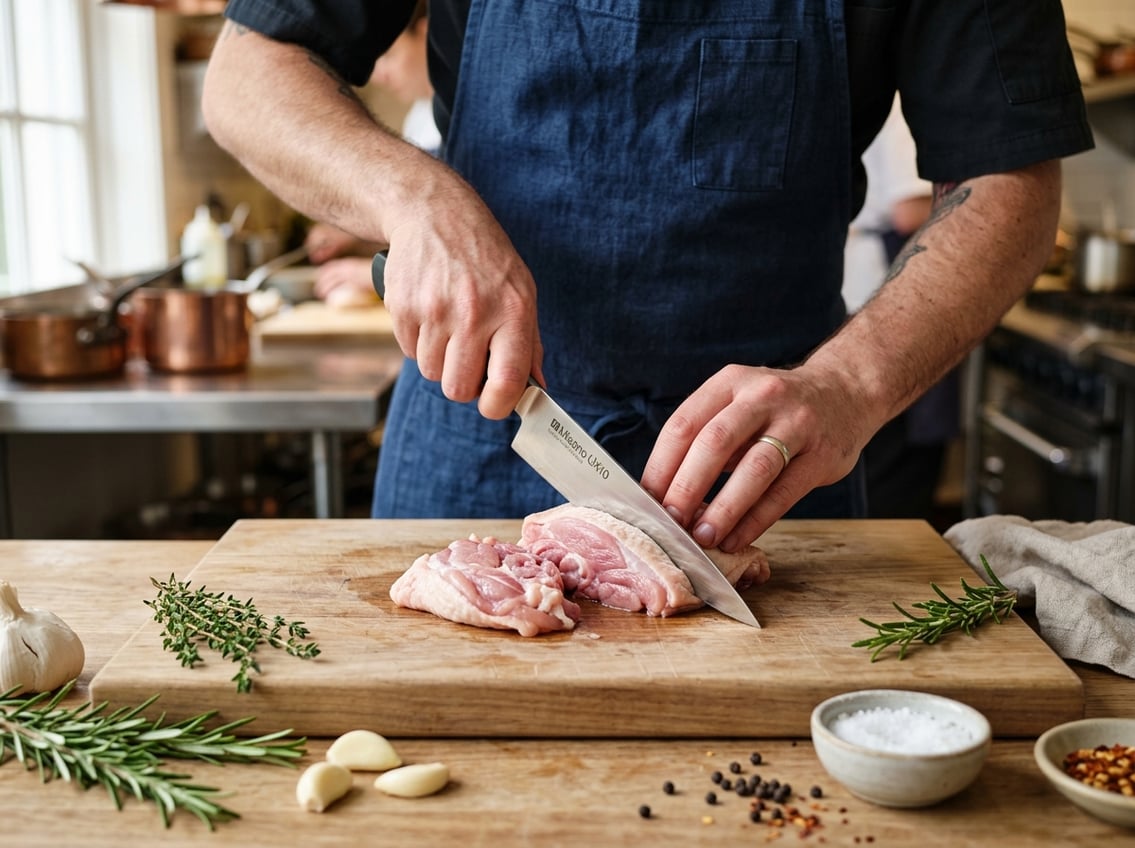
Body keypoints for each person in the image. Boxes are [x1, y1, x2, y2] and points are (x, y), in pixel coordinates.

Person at [202, 2, 1093, 553]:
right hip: (481, 434)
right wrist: (415, 200)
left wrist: (849, 386)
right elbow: (248, 75)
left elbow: (1008, 181)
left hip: (768, 470)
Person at [842, 96, 957, 523]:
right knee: (896, 466)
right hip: (883, 300)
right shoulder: (897, 106)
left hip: (854, 295)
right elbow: (910, 211)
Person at [304, 0, 439, 307]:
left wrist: (371, 275)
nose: (378, 74)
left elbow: (453, 239)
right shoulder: (419, 118)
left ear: (428, 34)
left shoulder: (462, 123)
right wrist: (354, 232)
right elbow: (419, 223)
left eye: (389, 55)